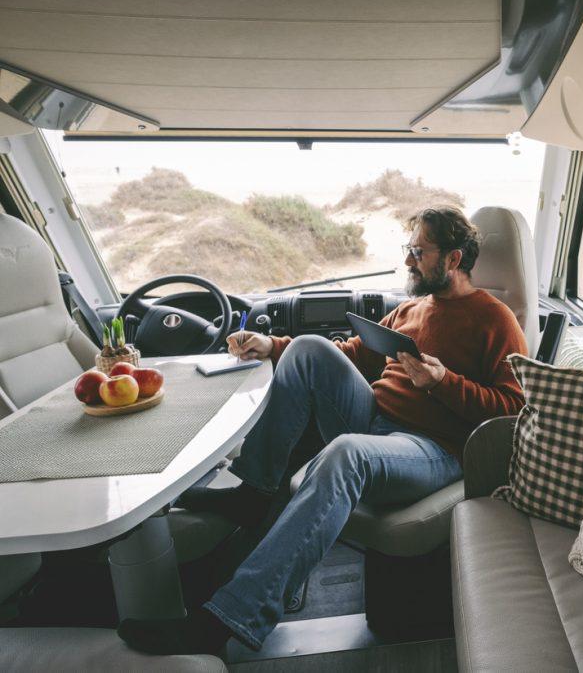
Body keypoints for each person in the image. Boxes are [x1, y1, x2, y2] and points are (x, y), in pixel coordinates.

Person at [118, 206, 529, 654]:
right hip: (374, 417)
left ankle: (231, 617)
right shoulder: (413, 308)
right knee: (309, 349)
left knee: (346, 453)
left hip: (434, 449)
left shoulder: (495, 319)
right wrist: (272, 346)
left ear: (452, 259)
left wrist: (443, 382)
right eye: (408, 250)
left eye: (418, 251)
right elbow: (357, 355)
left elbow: (513, 412)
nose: (409, 261)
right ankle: (254, 489)